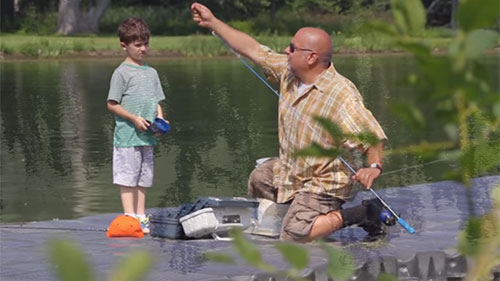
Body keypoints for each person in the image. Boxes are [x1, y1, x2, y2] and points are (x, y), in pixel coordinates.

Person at [191, 3, 391, 243]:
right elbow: (254, 49)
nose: (286, 50)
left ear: (311, 57)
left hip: (324, 182)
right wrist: (212, 21)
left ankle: (363, 213)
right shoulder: (288, 71)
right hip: (292, 172)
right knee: (260, 178)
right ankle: (302, 217)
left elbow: (373, 137)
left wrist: (374, 167)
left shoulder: (341, 93)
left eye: (293, 47)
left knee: (294, 235)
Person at [106, 17, 167, 234]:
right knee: (127, 178)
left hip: (147, 137)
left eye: (145, 44)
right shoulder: (121, 73)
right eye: (137, 45)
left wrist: (160, 119)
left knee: (143, 178)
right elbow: (112, 104)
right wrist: (133, 118)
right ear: (124, 45)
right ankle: (129, 216)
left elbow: (156, 101)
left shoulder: (151, 73)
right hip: (127, 137)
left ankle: (141, 217)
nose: (143, 49)